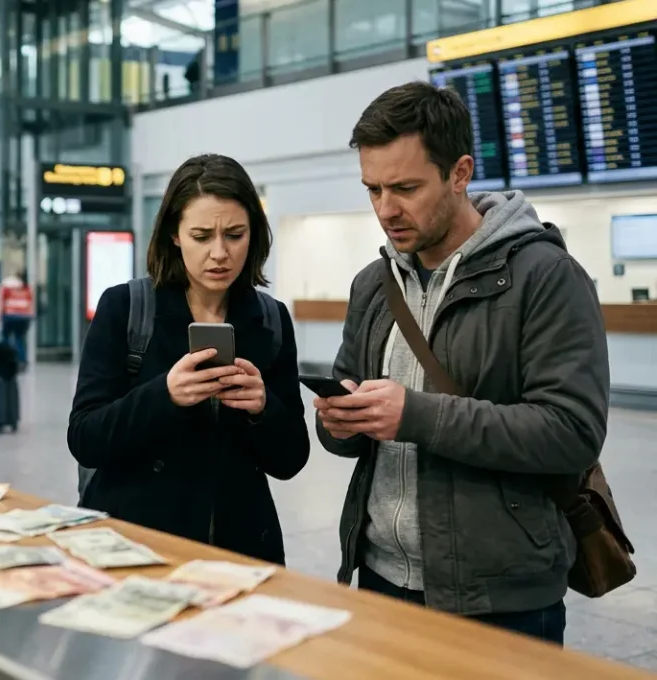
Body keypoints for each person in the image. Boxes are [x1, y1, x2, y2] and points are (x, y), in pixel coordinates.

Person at [314, 82, 609, 644]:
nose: (385, 209)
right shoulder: (373, 286)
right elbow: (349, 432)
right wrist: (341, 424)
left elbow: (572, 432)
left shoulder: (545, 277)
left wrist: (415, 416)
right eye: (372, 189)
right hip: (380, 579)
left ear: (460, 173)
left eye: (404, 187)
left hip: (499, 595)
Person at [67, 154, 308, 563]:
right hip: (138, 549)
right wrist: (164, 396)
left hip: (241, 551)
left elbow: (291, 459)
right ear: (174, 235)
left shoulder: (270, 320)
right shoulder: (125, 308)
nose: (219, 253)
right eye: (201, 236)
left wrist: (263, 408)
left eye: (235, 234)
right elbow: (85, 438)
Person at [0, 271, 34, 368]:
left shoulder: (6, 285)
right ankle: (22, 361)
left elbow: (0, 302)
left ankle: (5, 359)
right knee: (19, 339)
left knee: (5, 338)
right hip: (24, 317)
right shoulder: (26, 287)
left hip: (10, 315)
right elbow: (30, 302)